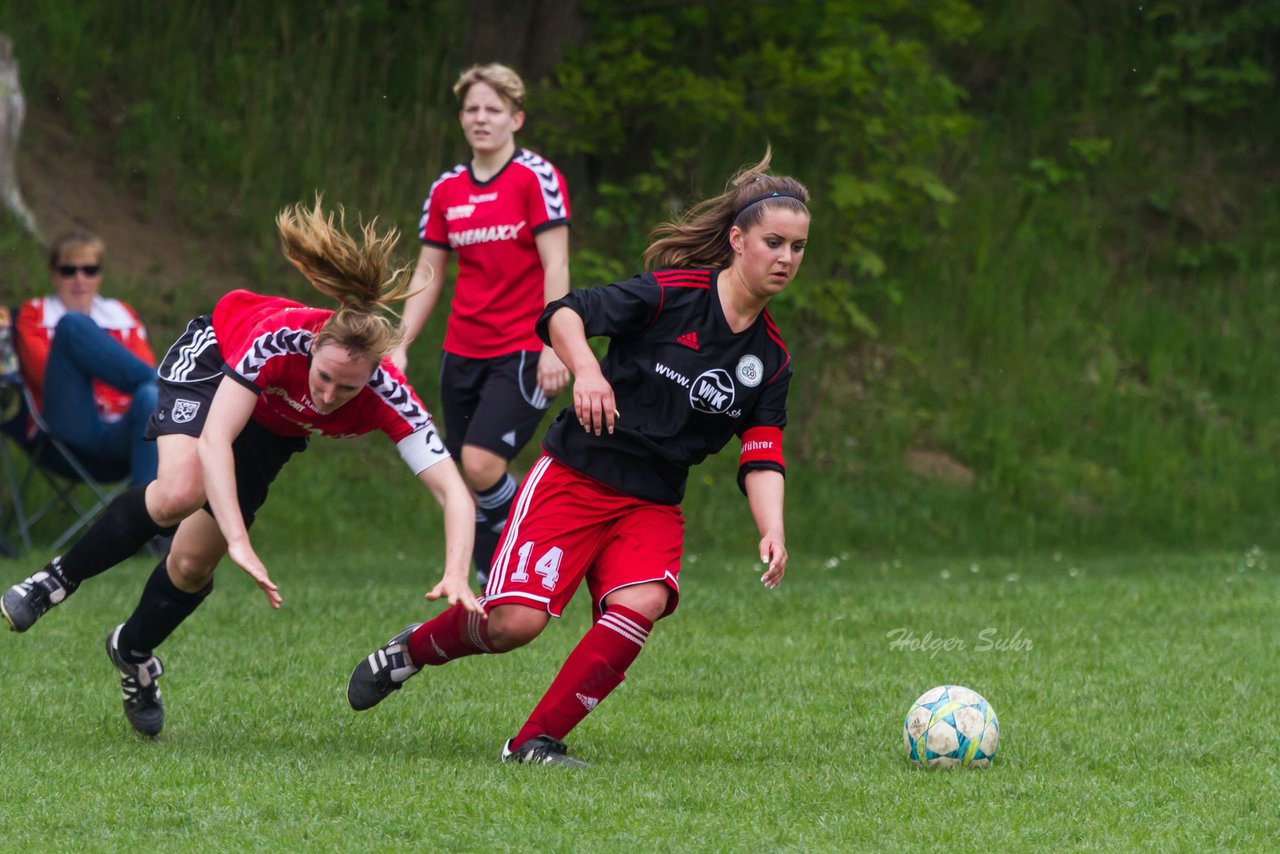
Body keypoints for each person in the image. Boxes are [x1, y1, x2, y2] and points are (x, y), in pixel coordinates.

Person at [347, 152, 809, 767]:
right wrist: (587, 370)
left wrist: (771, 526)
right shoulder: (669, 295)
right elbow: (563, 314)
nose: (785, 258)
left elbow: (762, 452)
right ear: (736, 240)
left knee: (640, 604)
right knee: (515, 624)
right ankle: (411, 651)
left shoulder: (770, 359)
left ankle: (534, 742)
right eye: (773, 242)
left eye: (798, 247)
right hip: (576, 477)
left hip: (652, 500)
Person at [1, 198, 480, 737]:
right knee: (178, 491)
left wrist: (458, 569)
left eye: (348, 388)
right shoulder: (277, 341)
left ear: (375, 374)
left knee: (188, 567)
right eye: (323, 377)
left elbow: (454, 493)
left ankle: (132, 652)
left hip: (271, 430)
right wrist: (239, 539)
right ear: (315, 346)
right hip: (213, 367)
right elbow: (216, 438)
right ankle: (54, 581)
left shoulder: (390, 395)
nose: (327, 396)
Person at [393, 62, 572, 586]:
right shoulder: (446, 189)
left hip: (521, 348)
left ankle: (532, 534)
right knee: (466, 478)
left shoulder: (536, 178)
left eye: (493, 109)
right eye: (472, 108)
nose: (481, 118)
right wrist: (400, 342)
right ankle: (496, 577)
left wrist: (556, 343)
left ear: (516, 118)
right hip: (461, 352)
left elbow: (556, 265)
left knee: (479, 463)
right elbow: (428, 271)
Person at [13, 230, 159, 487]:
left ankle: (149, 523)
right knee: (72, 325)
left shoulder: (121, 315)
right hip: (64, 431)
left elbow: (144, 362)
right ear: (54, 275)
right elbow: (42, 375)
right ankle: (175, 388)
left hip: (121, 434)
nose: (80, 279)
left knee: (150, 397)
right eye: (69, 270)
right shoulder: (35, 314)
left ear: (99, 275)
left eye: (89, 269)